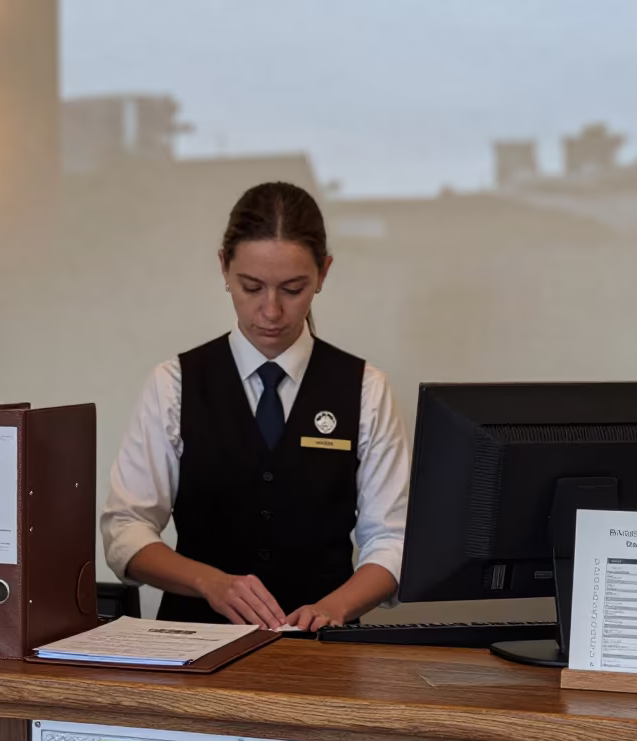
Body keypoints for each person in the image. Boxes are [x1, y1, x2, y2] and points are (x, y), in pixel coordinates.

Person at [102, 181, 410, 631]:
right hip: (193, 641)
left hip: (323, 652)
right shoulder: (174, 384)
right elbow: (125, 529)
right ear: (224, 268)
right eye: (251, 287)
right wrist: (209, 582)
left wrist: (335, 608)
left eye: (292, 289)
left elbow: (392, 540)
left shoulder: (367, 389)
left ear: (323, 273)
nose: (271, 311)